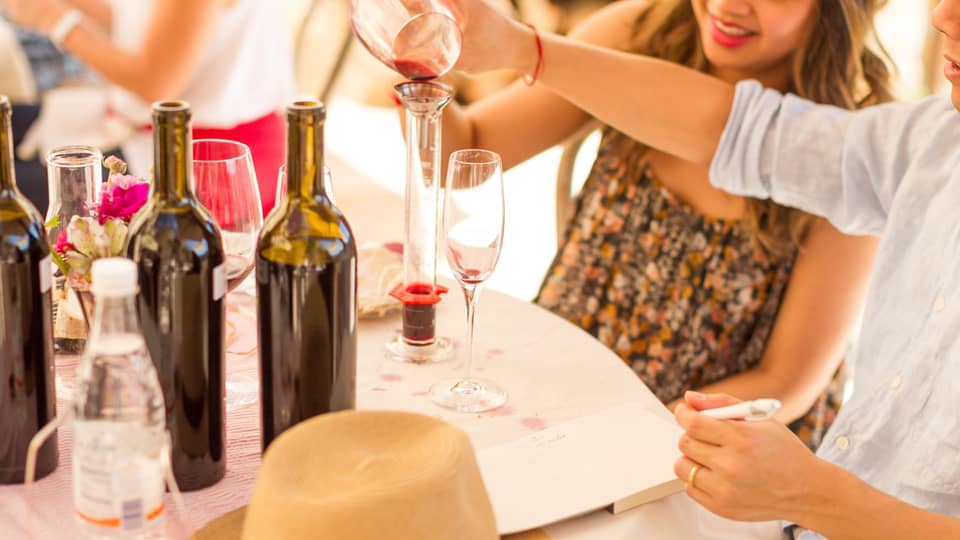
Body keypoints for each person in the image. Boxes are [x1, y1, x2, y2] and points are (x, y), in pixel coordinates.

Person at [448, 0, 960, 537]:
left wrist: (809, 493)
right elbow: (744, 132)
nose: (942, 15)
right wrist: (516, 47)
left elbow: (790, 383)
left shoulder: (878, 124)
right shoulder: (927, 140)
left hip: (703, 470)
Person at [2, 0, 295, 215]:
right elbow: (138, 25)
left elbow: (155, 84)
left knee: (10, 189)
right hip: (150, 131)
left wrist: (57, 22)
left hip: (205, 164)